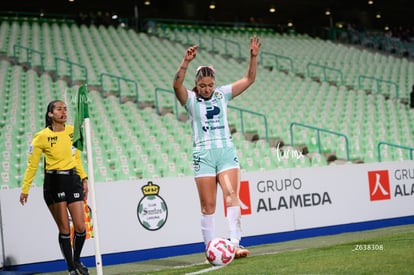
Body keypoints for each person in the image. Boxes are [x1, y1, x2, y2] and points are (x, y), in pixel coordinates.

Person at [172, 36, 261, 258]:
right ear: (197, 85)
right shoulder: (190, 99)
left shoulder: (223, 94)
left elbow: (249, 78)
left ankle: (235, 243)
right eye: (202, 85)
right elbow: (176, 84)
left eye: (210, 85)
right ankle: (210, 248)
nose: (207, 89)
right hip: (203, 154)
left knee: (231, 194)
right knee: (208, 205)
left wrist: (253, 56)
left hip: (225, 153)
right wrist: (186, 62)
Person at [19, 100, 90, 275]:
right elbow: (32, 165)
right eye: (59, 109)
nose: (63, 112)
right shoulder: (41, 136)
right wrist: (25, 188)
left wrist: (84, 177)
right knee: (65, 229)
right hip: (54, 183)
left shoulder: (73, 132)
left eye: (65, 109)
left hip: (73, 180)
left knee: (81, 228)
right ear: (51, 114)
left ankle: (76, 259)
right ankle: (71, 269)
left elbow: (77, 158)